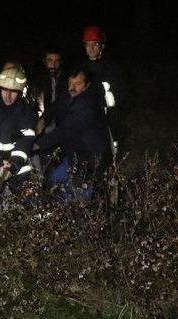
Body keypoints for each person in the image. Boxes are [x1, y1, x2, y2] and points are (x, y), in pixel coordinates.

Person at [33, 65, 111, 202]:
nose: (72, 87)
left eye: (78, 83)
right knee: (53, 182)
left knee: (75, 195)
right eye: (70, 83)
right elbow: (56, 106)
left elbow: (65, 130)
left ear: (86, 86)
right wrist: (43, 119)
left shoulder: (87, 104)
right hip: (73, 155)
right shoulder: (69, 96)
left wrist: (37, 145)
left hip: (90, 158)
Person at [0, 64, 38, 223]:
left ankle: (22, 228)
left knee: (28, 207)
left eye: (13, 92)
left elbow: (25, 142)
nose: (8, 96)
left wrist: (13, 165)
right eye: (5, 90)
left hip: (17, 165)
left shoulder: (27, 113)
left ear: (21, 92)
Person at [80, 25, 126, 155]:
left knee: (111, 146)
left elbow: (120, 92)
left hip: (109, 115)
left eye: (95, 44)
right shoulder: (80, 67)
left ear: (102, 46)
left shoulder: (111, 67)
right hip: (86, 114)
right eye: (88, 44)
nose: (91, 48)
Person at [30, 46, 67, 135]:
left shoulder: (67, 80)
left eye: (56, 61)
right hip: (42, 127)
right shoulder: (38, 80)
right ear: (44, 61)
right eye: (50, 60)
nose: (53, 65)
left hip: (61, 126)